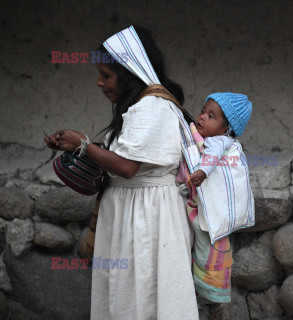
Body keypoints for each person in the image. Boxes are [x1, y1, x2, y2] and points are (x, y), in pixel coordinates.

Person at [44, 26, 199, 320]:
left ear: (128, 73)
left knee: (144, 293)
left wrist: (84, 144)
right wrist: (74, 147)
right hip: (133, 209)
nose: (100, 83)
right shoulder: (141, 107)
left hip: (147, 214)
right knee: (129, 294)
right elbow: (124, 157)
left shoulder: (152, 107)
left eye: (106, 75)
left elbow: (127, 167)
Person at [176, 93, 253, 304]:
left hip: (204, 211)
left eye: (211, 117)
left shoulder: (220, 141)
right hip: (194, 201)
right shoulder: (202, 140)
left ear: (226, 129)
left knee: (205, 246)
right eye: (203, 111)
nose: (201, 118)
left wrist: (203, 171)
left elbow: (212, 157)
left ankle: (207, 284)